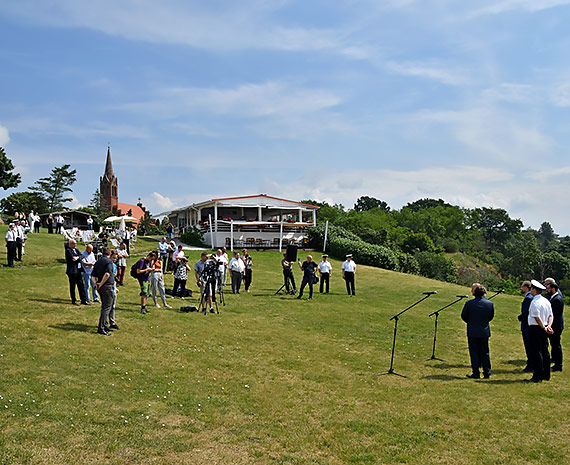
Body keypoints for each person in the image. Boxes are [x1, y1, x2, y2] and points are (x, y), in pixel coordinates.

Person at [461, 284, 494, 379]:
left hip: (472, 331)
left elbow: (464, 316)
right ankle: (487, 372)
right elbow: (490, 317)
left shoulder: (469, 303)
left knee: (474, 352)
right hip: (484, 331)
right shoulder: (489, 304)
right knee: (485, 352)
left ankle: (476, 372)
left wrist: (471, 322)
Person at [527, 279, 554, 382]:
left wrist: (543, 327)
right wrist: (548, 326)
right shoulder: (546, 301)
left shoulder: (535, 302)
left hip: (537, 328)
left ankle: (537, 375)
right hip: (545, 326)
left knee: (536, 352)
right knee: (545, 351)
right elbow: (550, 315)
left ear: (534, 290)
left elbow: (537, 317)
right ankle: (546, 374)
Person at [92, 247, 116, 335]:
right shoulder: (109, 261)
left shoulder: (98, 261)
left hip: (100, 287)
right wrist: (101, 283)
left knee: (104, 306)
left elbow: (93, 276)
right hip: (107, 286)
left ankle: (105, 325)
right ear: (109, 254)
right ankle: (101, 327)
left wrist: (96, 284)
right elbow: (107, 274)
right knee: (107, 308)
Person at [545, 280, 564, 372]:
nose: (546, 290)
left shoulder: (557, 299)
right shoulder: (553, 298)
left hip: (556, 326)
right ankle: (556, 362)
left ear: (553, 289)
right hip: (554, 325)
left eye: (548, 288)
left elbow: (553, 314)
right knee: (554, 345)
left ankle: (558, 365)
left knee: (556, 345)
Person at [65, 239, 88, 306]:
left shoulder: (76, 250)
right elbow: (72, 258)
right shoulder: (68, 250)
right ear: (70, 244)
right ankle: (73, 300)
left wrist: (77, 257)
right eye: (74, 243)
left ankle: (83, 299)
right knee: (72, 286)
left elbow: (82, 256)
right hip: (72, 271)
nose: (75, 245)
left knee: (81, 285)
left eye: (75, 243)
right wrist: (78, 258)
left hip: (78, 270)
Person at [517, 281, 534, 373]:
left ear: (526, 287)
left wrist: (520, 317)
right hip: (531, 325)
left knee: (529, 346)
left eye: (522, 286)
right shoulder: (531, 297)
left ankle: (530, 365)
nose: (521, 288)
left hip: (527, 326)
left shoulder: (528, 299)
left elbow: (526, 313)